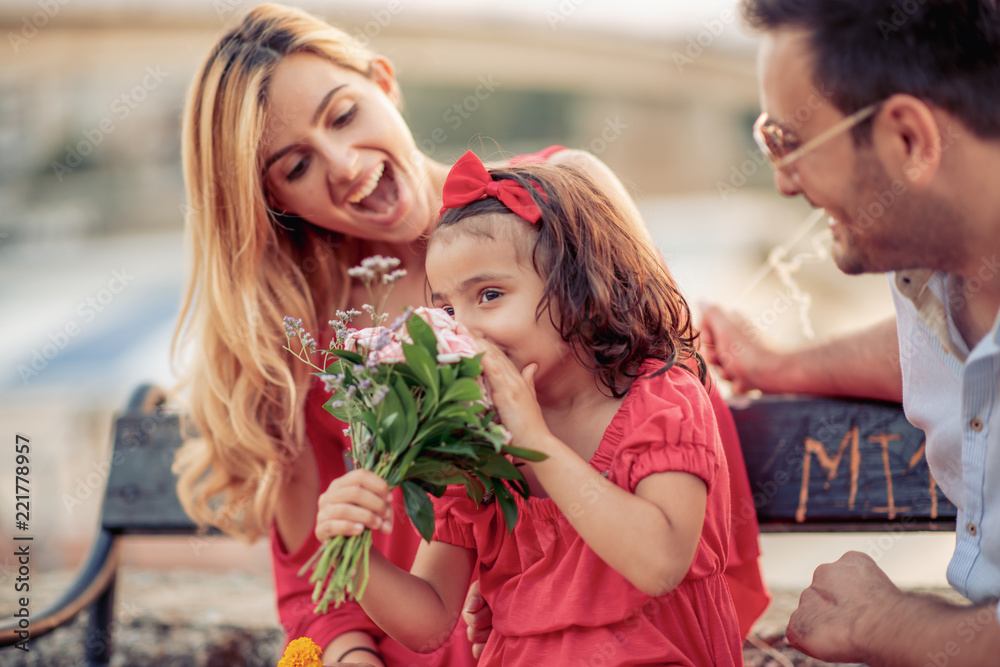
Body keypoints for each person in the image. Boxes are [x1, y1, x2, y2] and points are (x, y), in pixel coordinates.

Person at [171, 3, 767, 663]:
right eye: (295, 166)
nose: (340, 162)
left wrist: (540, 567)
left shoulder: (560, 211)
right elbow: (321, 575)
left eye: (342, 114)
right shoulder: (298, 344)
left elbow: (663, 394)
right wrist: (352, 655)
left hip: (635, 621)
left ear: (384, 82)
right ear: (273, 199)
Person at [316, 152, 744, 665]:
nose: (462, 329)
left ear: (581, 293)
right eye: (447, 309)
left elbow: (658, 564)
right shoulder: (472, 442)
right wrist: (354, 551)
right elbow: (429, 620)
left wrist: (535, 443)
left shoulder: (663, 400)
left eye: (490, 294)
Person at [700, 1, 1000, 664]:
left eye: (789, 141)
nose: (781, 182)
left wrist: (886, 623)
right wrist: (780, 364)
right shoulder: (945, 277)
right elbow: (948, 355)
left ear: (908, 140)